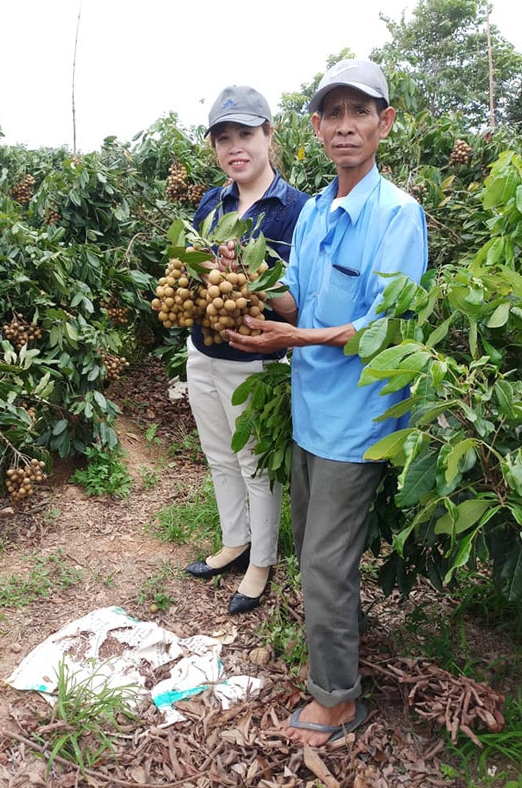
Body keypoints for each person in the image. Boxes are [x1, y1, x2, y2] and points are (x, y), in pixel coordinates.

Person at [224, 59, 428, 743]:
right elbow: (296, 298)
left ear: (383, 123)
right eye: (332, 116)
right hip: (311, 414)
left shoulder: (398, 215)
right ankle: (337, 644)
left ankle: (338, 699)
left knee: (322, 561)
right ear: (314, 127)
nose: (345, 127)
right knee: (321, 556)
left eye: (359, 114)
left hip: (357, 422)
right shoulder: (313, 209)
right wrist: (249, 284)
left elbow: (384, 328)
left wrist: (292, 334)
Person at [183, 85, 310, 615]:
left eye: (245, 134)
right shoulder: (213, 202)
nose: (235, 147)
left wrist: (254, 277)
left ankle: (262, 561)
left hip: (254, 361)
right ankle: (234, 543)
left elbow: (299, 307)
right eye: (223, 138)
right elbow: (194, 269)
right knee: (219, 456)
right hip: (202, 350)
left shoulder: (297, 210)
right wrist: (197, 264)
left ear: (268, 135)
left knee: (254, 462)